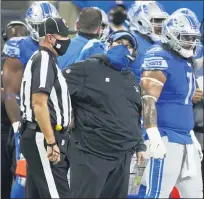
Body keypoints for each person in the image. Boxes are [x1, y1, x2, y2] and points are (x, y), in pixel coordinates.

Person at [62, 30, 146, 198]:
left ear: (134, 53)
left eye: (128, 46)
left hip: (122, 157)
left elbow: (133, 114)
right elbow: (56, 88)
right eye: (119, 43)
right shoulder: (88, 68)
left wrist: (139, 145)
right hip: (91, 153)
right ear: (108, 45)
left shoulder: (130, 78)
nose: (123, 48)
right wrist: (68, 115)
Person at [140, 12, 203, 198]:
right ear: (171, 34)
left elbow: (181, 101)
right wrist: (153, 135)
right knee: (157, 194)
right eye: (186, 37)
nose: (190, 42)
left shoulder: (185, 59)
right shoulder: (159, 56)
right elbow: (147, 98)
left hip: (186, 139)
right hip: (165, 137)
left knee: (195, 194)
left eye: (193, 37)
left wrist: (190, 133)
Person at [2, 2, 60, 198]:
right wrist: (19, 127)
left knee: (56, 175)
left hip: (56, 121)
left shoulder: (64, 45)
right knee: (24, 174)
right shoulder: (18, 47)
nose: (45, 32)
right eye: (39, 27)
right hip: (30, 121)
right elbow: (11, 93)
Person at [19, 17, 72, 198]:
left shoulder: (47, 59)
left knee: (37, 194)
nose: (66, 41)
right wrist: (51, 141)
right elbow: (39, 103)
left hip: (42, 134)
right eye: (63, 36)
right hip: (42, 135)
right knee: (57, 194)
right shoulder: (43, 58)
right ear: (50, 38)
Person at [1, 20, 28, 199]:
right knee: (3, 177)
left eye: (21, 35)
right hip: (3, 128)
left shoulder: (34, 60)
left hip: (25, 128)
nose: (17, 39)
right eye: (13, 35)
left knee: (23, 177)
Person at [127, 1, 169, 82]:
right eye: (156, 21)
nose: (160, 25)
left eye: (161, 21)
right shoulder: (131, 44)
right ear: (141, 21)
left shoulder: (160, 43)